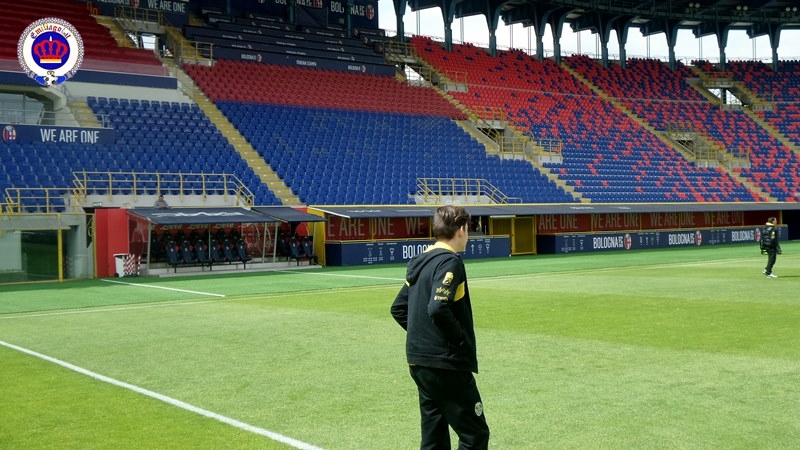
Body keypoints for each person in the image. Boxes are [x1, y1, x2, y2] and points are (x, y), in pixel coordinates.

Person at [391, 205, 490, 449]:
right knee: (475, 435)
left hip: (419, 362)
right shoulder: (450, 261)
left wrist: (424, 337)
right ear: (461, 229)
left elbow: (399, 308)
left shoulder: (420, 261)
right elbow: (437, 307)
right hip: (446, 364)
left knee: (434, 437)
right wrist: (458, 338)